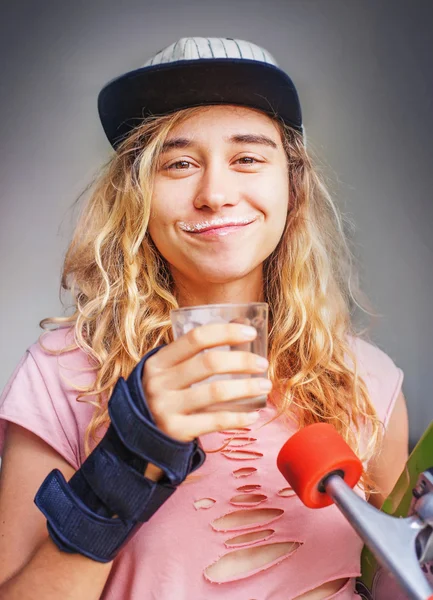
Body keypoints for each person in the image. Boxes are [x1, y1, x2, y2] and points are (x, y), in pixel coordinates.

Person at [0, 37, 409, 600]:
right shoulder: (60, 376)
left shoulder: (370, 381)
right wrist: (126, 462)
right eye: (179, 163)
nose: (215, 193)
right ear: (136, 194)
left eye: (247, 158)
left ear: (293, 185)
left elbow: (394, 579)